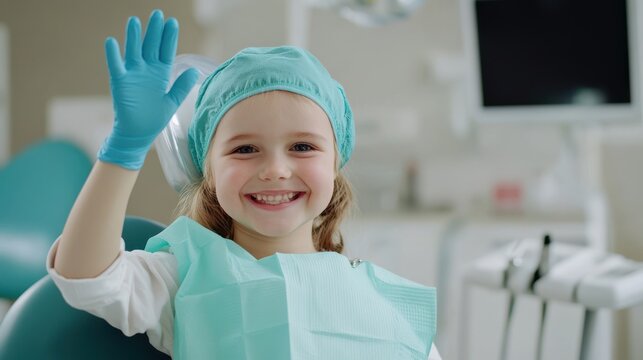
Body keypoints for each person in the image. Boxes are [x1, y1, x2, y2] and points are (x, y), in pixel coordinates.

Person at [47, 9, 441, 360]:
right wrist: (125, 149)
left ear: (336, 164)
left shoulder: (383, 303)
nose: (275, 169)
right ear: (209, 170)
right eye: (245, 148)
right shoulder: (182, 278)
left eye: (302, 146)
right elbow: (86, 275)